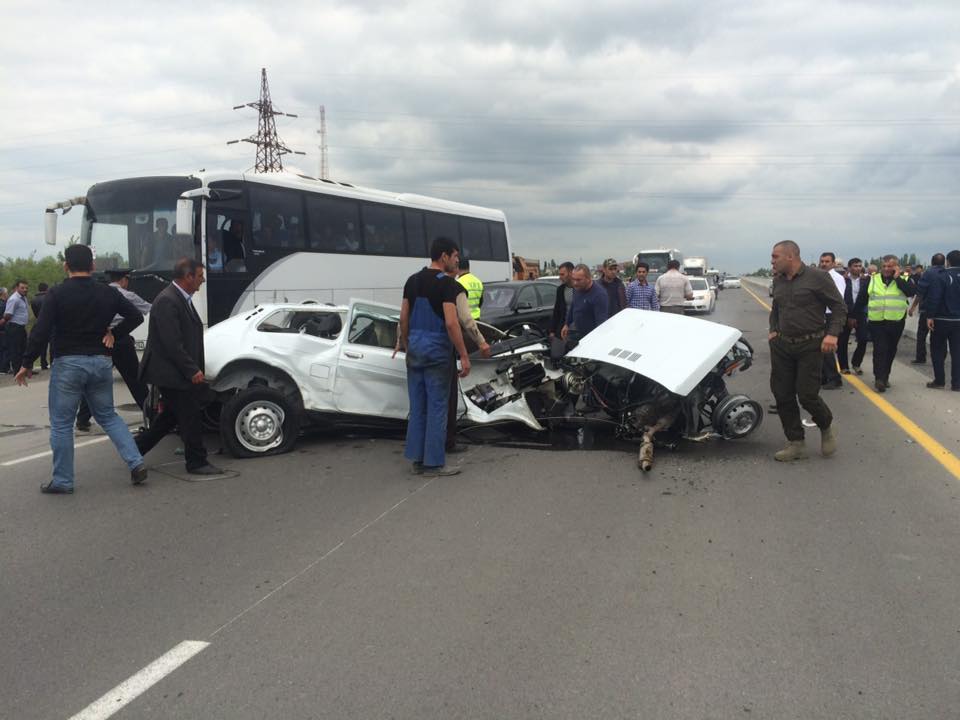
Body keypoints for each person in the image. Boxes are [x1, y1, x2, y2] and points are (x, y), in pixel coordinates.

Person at [15, 245, 147, 493]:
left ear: (66, 266)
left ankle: (63, 481)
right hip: (100, 361)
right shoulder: (108, 293)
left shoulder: (56, 294)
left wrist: (26, 363)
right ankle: (136, 462)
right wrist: (114, 334)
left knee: (63, 423)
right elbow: (136, 316)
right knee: (108, 416)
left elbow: (40, 331)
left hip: (68, 364)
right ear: (93, 266)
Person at [134, 258, 222, 475]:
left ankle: (135, 449)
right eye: (200, 276)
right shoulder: (168, 301)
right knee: (190, 415)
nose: (202, 281)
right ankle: (196, 461)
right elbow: (171, 343)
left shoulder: (182, 298)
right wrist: (191, 370)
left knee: (170, 417)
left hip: (175, 371)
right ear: (188, 277)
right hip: (170, 373)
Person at [394, 237, 471, 477]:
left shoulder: (412, 281)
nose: (457, 260)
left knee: (418, 408)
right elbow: (451, 322)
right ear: (444, 257)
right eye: (455, 256)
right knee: (437, 407)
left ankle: (417, 461)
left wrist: (406, 344)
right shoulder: (446, 285)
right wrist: (464, 354)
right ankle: (435, 463)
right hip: (437, 352)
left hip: (415, 350)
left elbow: (403, 318)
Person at [768, 240, 846, 462]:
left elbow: (840, 307)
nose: (772, 260)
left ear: (790, 256)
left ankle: (826, 425)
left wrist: (832, 334)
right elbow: (776, 309)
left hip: (810, 345)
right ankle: (796, 443)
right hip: (782, 345)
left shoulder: (818, 278)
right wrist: (773, 329)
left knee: (807, 395)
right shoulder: (778, 280)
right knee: (782, 394)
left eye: (775, 256)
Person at [76, 270, 152, 431]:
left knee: (94, 380)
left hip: (100, 340)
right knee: (135, 379)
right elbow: (148, 309)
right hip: (120, 339)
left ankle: (82, 419)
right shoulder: (128, 295)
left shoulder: (96, 294)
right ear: (124, 280)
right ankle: (151, 414)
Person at [445, 266, 492, 454]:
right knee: (449, 393)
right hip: (471, 326)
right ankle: (448, 441)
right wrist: (480, 342)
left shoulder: (416, 283)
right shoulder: (469, 283)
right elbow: (463, 316)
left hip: (460, 330)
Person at [866, 255, 916, 393]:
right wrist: (854, 316)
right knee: (880, 349)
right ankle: (879, 378)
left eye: (890, 266)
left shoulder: (904, 279)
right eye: (884, 266)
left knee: (890, 349)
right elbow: (863, 298)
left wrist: (897, 278)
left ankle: (885, 375)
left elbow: (911, 292)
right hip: (877, 321)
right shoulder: (873, 279)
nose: (887, 269)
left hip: (896, 321)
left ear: (896, 267)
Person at [924, 249, 960, 391]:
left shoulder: (942, 276)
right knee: (957, 352)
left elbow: (935, 297)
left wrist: (930, 316)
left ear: (947, 262)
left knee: (938, 350)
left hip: (942, 319)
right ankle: (957, 383)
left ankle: (939, 381)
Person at [909, 253, 946, 364]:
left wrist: (913, 307)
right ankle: (940, 358)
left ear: (931, 262)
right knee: (940, 337)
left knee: (921, 335)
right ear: (944, 262)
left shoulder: (928, 273)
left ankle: (921, 357)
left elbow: (920, 293)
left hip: (926, 310)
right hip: (942, 312)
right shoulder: (947, 273)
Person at [818, 252, 846, 389]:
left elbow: (838, 301)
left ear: (833, 263)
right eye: (822, 261)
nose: (824, 264)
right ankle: (824, 376)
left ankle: (834, 378)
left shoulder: (837, 278)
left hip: (831, 315)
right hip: (820, 315)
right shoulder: (819, 277)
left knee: (827, 348)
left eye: (827, 261)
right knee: (819, 348)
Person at [561, 264, 610, 343]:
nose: (575, 283)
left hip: (591, 338)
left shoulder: (599, 295)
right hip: (578, 333)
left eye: (578, 280)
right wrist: (566, 324)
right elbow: (573, 306)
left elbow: (601, 324)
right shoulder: (577, 288)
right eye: (573, 279)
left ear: (588, 278)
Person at [838, 257, 869, 374]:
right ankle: (844, 366)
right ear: (849, 267)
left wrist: (856, 315)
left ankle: (856, 363)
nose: (858, 268)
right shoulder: (843, 280)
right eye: (855, 266)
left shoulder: (866, 281)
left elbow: (865, 298)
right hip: (845, 313)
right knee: (842, 340)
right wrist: (849, 315)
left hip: (860, 313)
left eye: (860, 266)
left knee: (863, 339)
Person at [1, 280, 30, 373]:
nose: (25, 289)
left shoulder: (23, 298)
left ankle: (24, 370)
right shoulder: (14, 299)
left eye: (26, 288)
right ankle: (17, 371)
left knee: (24, 349)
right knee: (16, 350)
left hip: (21, 327)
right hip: (14, 327)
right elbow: (7, 314)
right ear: (17, 288)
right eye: (22, 287)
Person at [549, 262, 575, 337]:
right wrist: (552, 330)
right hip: (562, 329)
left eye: (562, 274)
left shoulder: (580, 289)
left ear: (571, 273)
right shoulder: (560, 290)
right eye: (559, 274)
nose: (560, 277)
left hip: (578, 330)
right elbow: (557, 311)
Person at [30, 282, 50, 370]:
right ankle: (52, 362)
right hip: (50, 323)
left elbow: (35, 313)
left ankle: (43, 363)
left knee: (43, 344)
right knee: (53, 344)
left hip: (40, 323)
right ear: (47, 289)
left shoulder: (33, 300)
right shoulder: (49, 298)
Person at [0, 287, 8, 373]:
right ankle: (4, 368)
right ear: (3, 294)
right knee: (5, 348)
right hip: (3, 330)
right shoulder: (4, 305)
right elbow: (5, 317)